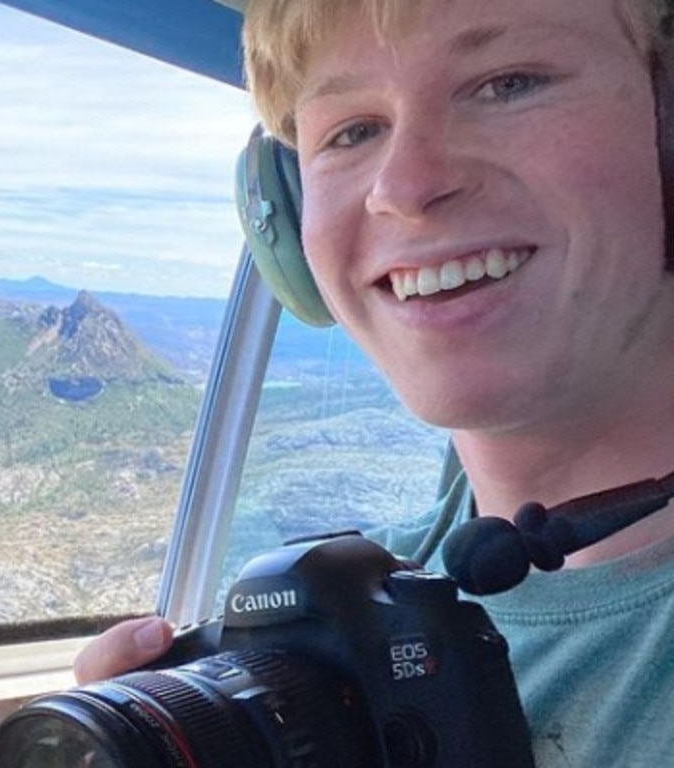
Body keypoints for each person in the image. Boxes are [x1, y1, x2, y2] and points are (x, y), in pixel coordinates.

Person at [75, 0, 674, 764]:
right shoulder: (340, 623)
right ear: (289, 223)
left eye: (509, 83)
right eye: (351, 131)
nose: (405, 184)